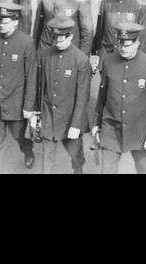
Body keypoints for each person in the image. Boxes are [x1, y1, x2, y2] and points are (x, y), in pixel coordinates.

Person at [93, 20, 146, 174]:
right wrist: (96, 124)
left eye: (128, 44)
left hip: (139, 129)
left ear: (137, 42)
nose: (123, 48)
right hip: (111, 127)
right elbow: (103, 94)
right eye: (120, 44)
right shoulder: (109, 61)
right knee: (108, 170)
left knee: (144, 169)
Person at [0, 1, 38, 170]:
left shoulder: (26, 43)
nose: (1, 25)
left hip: (16, 103)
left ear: (15, 21)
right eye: (0, 21)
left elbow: (31, 77)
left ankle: (28, 151)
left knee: (20, 136)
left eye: (5, 21)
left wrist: (28, 106)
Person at [36, 15, 91, 174]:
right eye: (55, 38)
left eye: (62, 39)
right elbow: (39, 87)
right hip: (48, 115)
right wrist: (37, 114)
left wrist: (76, 125)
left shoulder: (80, 59)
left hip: (70, 117)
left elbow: (82, 97)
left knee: (75, 156)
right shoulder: (44, 55)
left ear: (71, 36)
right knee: (47, 157)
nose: (58, 42)